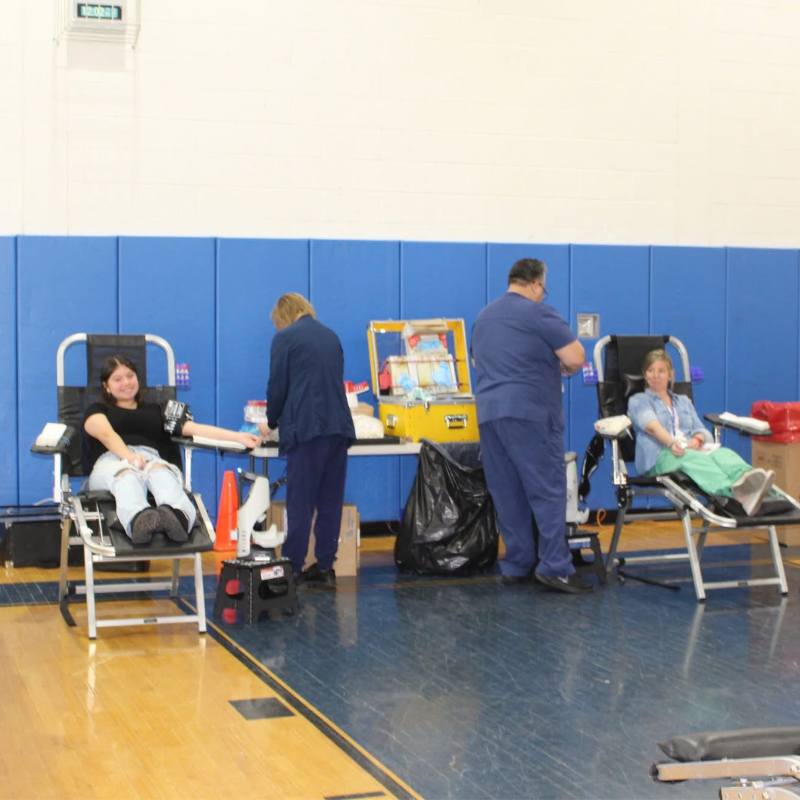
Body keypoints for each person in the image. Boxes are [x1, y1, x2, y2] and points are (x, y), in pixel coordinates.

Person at [471, 258, 590, 594]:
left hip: (490, 414)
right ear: (537, 284)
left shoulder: (483, 317)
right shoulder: (540, 313)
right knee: (547, 490)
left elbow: (479, 361)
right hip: (530, 414)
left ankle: (519, 563)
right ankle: (555, 566)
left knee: (507, 492)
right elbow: (576, 358)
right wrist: (556, 365)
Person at [84, 355, 261, 544]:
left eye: (130, 376)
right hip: (111, 461)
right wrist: (129, 458)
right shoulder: (97, 410)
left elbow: (196, 429)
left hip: (151, 459)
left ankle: (178, 517)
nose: (126, 383)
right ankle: (138, 521)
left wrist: (237, 437)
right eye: (117, 379)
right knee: (127, 475)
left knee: (161, 473)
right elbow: (106, 434)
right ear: (106, 386)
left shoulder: (158, 409)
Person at [258, 293, 356, 589]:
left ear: (282, 317)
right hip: (338, 428)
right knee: (330, 501)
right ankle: (325, 567)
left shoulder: (285, 338)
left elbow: (278, 388)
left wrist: (271, 422)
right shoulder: (330, 335)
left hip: (307, 430)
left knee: (300, 502)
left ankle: (293, 567)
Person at [627, 349, 775, 516]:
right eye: (650, 370)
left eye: (661, 370)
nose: (655, 375)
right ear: (645, 374)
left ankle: (751, 483)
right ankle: (733, 492)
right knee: (693, 458)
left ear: (671, 374)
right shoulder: (638, 400)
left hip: (688, 449)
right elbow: (651, 426)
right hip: (660, 455)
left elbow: (701, 429)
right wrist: (672, 443)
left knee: (723, 454)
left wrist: (697, 440)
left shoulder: (683, 401)